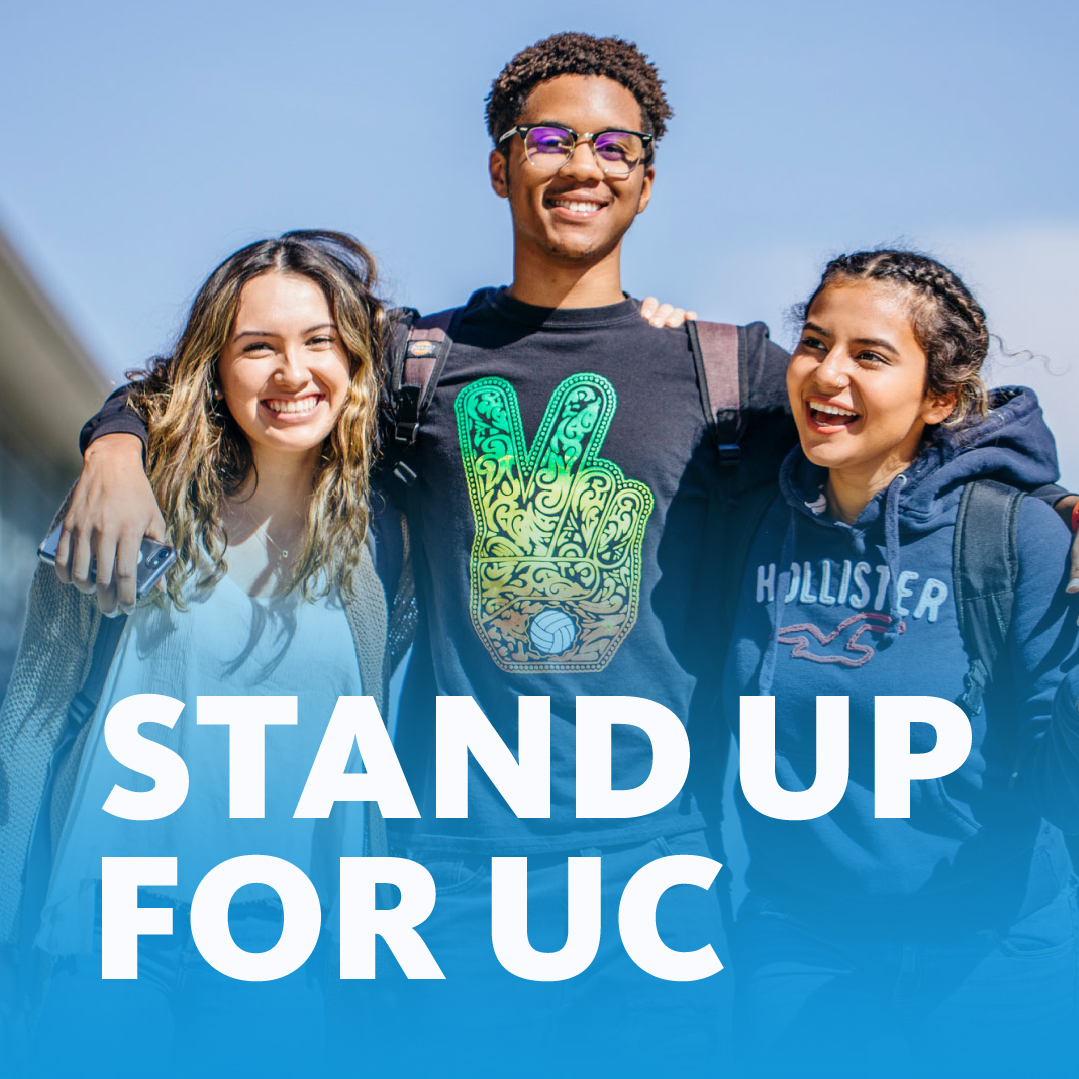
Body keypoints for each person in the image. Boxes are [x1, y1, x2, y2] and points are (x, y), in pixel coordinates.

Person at [43, 34, 1079, 1072]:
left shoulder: (730, 371)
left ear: (645, 181)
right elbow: (236, 366)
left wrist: (1055, 507)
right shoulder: (415, 359)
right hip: (447, 875)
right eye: (548, 139)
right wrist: (117, 442)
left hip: (659, 873)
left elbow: (920, 426)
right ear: (500, 166)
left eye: (613, 146)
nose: (582, 164)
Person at [0, 230, 408, 1075]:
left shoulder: (378, 549)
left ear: (354, 362)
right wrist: (115, 440)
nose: (291, 372)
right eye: (257, 346)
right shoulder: (130, 509)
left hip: (276, 940)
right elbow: (33, 719)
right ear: (215, 368)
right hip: (113, 928)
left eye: (318, 341)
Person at [722, 250, 1079, 1075]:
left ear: (939, 399)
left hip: (996, 949)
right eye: (815, 343)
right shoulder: (749, 514)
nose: (828, 374)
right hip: (800, 941)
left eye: (870, 355)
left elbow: (1059, 779)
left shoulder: (1013, 535)